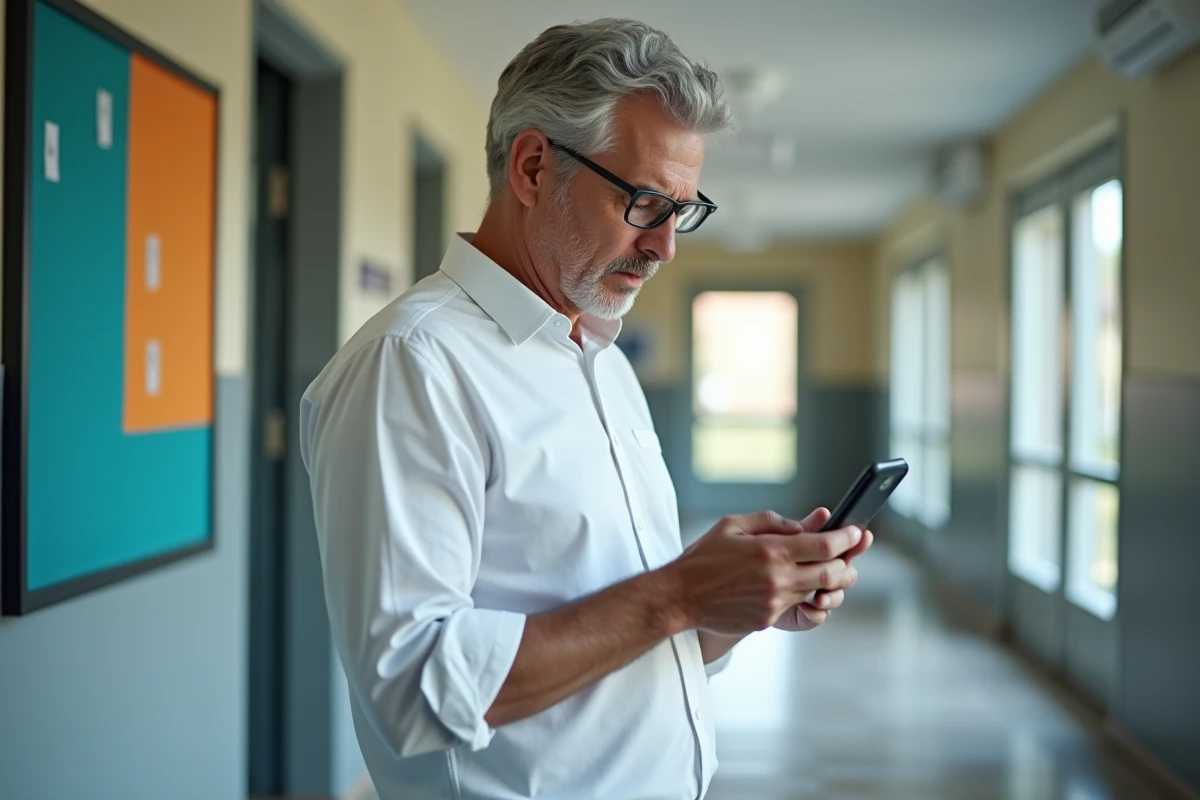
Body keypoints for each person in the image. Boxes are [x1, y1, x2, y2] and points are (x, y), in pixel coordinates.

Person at [300, 18, 872, 800]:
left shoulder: (598, 359)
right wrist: (681, 590)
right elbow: (412, 688)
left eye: (683, 209)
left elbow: (617, 632)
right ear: (534, 167)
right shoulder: (414, 365)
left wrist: (736, 602)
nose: (666, 246)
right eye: (643, 203)